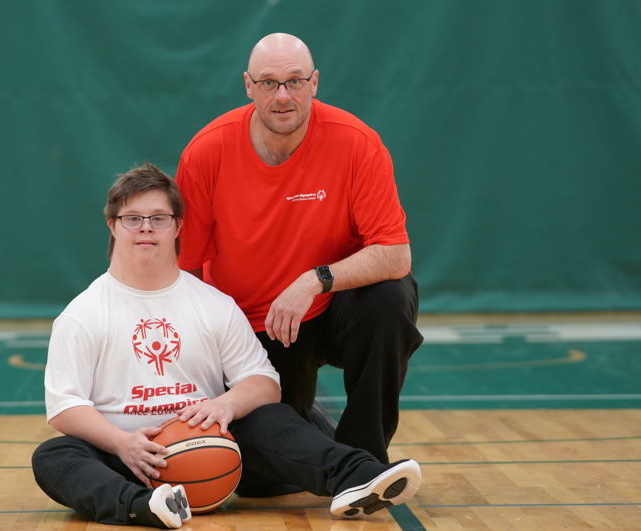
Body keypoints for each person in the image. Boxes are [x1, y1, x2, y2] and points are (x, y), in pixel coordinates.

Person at [30, 163, 421, 528]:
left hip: (216, 448)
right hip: (129, 458)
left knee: (272, 417)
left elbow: (263, 381)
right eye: (133, 219)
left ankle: (358, 475)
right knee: (54, 455)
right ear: (113, 226)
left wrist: (224, 405)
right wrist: (122, 443)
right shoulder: (83, 313)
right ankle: (144, 506)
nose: (146, 228)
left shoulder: (212, 303)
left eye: (158, 219)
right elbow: (64, 406)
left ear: (178, 226)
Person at [175, 33, 423, 465]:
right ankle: (313, 427)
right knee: (262, 479)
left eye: (294, 81)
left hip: (332, 309)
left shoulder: (356, 142)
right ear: (248, 86)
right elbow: (185, 269)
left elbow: (396, 253)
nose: (283, 96)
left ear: (315, 83)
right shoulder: (207, 152)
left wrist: (315, 280)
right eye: (269, 83)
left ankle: (364, 460)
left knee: (390, 298)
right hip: (256, 325)